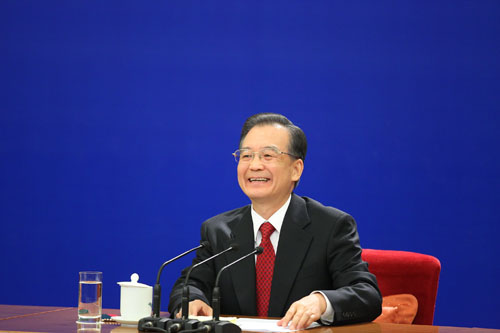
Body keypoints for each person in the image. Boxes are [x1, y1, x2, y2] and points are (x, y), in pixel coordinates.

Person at [168, 113, 382, 328]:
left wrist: (321, 302)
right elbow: (190, 284)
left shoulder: (330, 226)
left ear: (296, 169)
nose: (255, 165)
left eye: (268, 155)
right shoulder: (218, 230)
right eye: (246, 155)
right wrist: (191, 301)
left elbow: (366, 294)